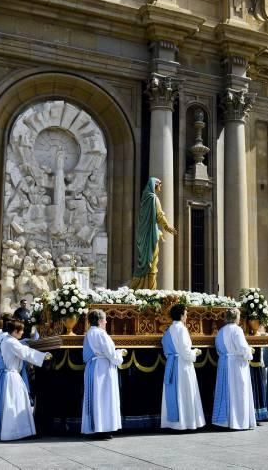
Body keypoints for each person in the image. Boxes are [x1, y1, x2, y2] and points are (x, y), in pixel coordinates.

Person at [0, 320, 51, 441]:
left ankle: (8, 431)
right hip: (11, 376)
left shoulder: (6, 340)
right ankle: (16, 432)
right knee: (15, 404)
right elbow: (25, 353)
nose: (22, 332)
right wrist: (44, 356)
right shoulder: (11, 342)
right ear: (15, 331)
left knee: (8, 404)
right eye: (21, 330)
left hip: (6, 375)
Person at [161, 303, 205, 431]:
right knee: (184, 392)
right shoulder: (182, 329)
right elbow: (185, 351)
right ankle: (186, 423)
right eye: (186, 314)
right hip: (182, 366)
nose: (187, 316)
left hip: (171, 363)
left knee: (174, 393)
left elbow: (166, 347)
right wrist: (195, 352)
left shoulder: (169, 330)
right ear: (181, 315)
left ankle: (173, 424)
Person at [212, 308, 257, 430]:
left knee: (226, 391)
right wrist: (249, 352)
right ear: (236, 317)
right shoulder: (237, 330)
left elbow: (218, 349)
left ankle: (225, 421)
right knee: (239, 392)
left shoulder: (220, 331)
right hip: (237, 364)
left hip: (224, 363)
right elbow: (242, 347)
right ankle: (239, 422)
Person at [82, 309, 124, 437]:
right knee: (104, 398)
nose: (106, 322)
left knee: (97, 397)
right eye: (105, 319)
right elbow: (110, 353)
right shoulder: (101, 334)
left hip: (94, 367)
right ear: (100, 321)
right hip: (103, 369)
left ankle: (97, 427)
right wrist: (120, 354)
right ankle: (102, 428)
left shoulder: (89, 333)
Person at [130, 177, 177, 290]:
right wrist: (167, 227)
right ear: (155, 186)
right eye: (159, 185)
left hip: (144, 234)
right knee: (152, 264)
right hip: (151, 235)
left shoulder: (145, 199)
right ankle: (150, 292)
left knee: (145, 263)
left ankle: (136, 289)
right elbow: (159, 215)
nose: (160, 187)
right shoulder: (153, 198)